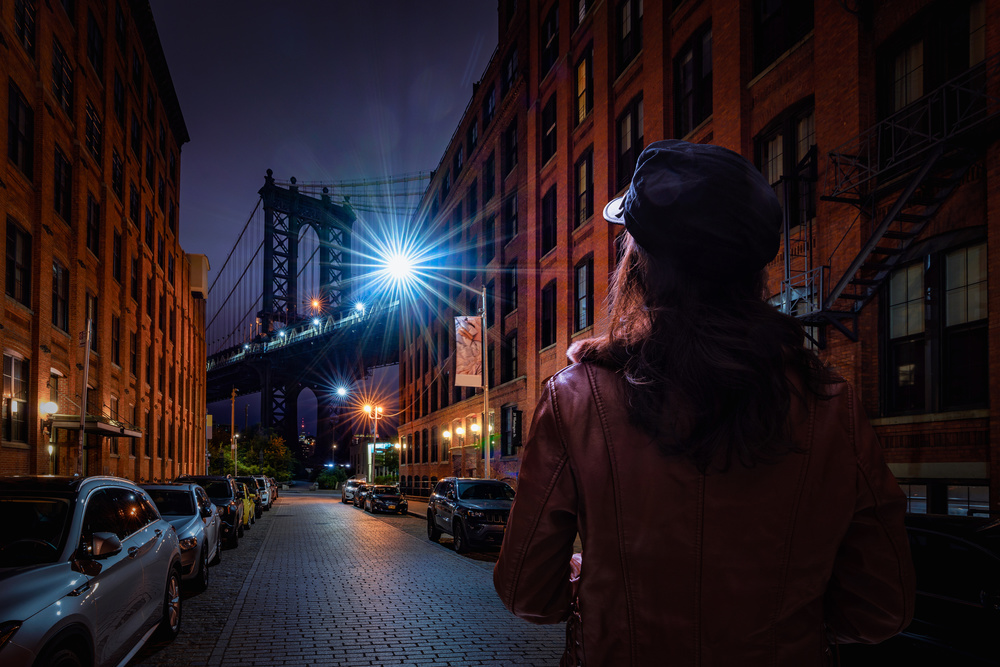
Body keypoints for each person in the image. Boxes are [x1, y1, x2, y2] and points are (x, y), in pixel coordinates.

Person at [493, 140, 914, 666]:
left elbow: (526, 593)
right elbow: (881, 608)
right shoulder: (831, 404)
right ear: (755, 267)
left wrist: (592, 582)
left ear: (640, 261)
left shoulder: (576, 399)